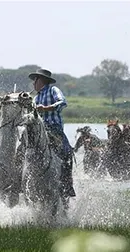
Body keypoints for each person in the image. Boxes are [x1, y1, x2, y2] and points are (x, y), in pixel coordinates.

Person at [28, 68, 76, 205]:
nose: (33, 84)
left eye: (34, 80)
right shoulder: (35, 98)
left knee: (67, 152)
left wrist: (46, 108)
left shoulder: (53, 90)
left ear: (40, 80)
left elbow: (63, 103)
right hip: (39, 130)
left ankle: (67, 185)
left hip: (54, 129)